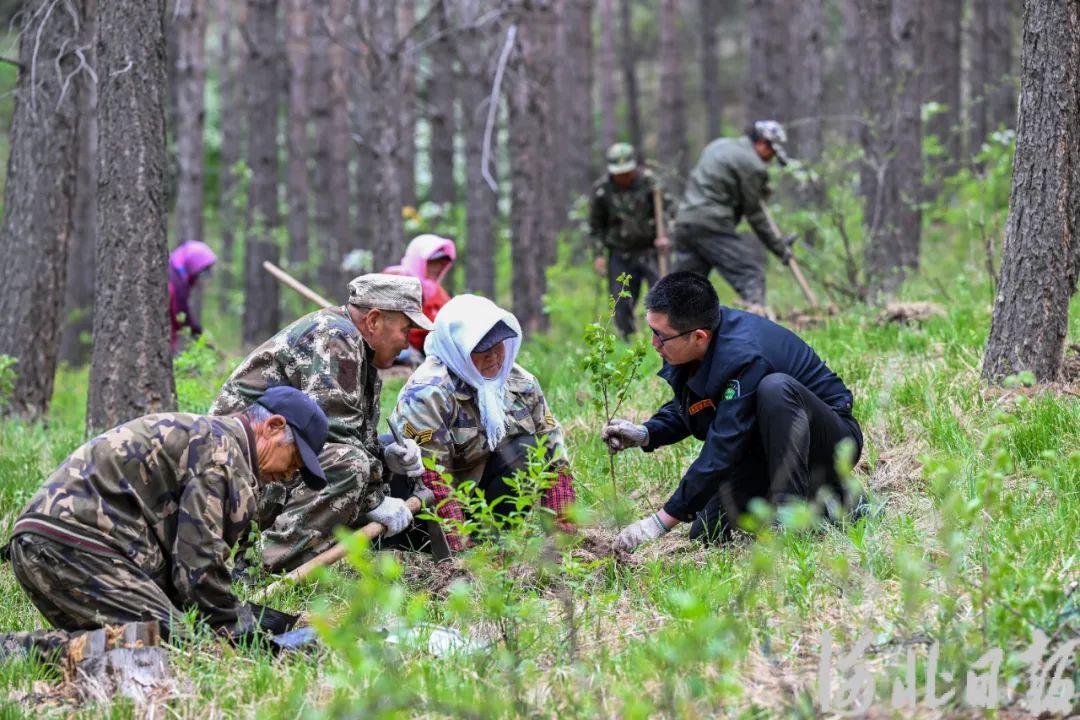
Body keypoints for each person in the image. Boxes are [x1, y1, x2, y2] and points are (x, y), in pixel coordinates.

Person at [5, 386, 329, 640]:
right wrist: (249, 635)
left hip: (47, 542)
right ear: (273, 426)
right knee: (171, 646)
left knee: (131, 639)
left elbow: (181, 580)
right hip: (72, 546)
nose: (289, 475)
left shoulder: (211, 437)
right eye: (294, 460)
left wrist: (274, 622)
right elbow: (199, 573)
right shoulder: (227, 462)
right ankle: (17, 651)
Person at [602, 272, 863, 552]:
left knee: (775, 389)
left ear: (699, 336)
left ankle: (794, 516)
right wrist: (647, 433)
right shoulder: (695, 343)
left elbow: (723, 447)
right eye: (652, 330)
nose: (654, 343)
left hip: (829, 440)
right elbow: (698, 405)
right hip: (765, 445)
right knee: (707, 532)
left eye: (660, 336)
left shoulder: (744, 355)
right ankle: (823, 502)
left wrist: (659, 522)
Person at [209, 274, 434, 573]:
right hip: (233, 480)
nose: (407, 343)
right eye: (406, 330)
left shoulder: (356, 350)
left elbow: (348, 434)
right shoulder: (335, 338)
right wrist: (374, 501)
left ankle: (301, 558)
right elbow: (333, 436)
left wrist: (384, 457)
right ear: (374, 320)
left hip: (259, 475)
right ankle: (253, 568)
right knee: (349, 466)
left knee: (365, 457)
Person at [388, 294, 576, 550]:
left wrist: (563, 531)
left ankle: (491, 540)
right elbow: (434, 480)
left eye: (498, 345)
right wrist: (460, 551)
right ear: (458, 350)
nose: (494, 357)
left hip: (476, 492)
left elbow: (553, 454)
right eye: (481, 349)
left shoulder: (520, 383)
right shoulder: (427, 393)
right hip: (426, 507)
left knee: (530, 448)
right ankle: (428, 547)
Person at [672, 120, 793, 307]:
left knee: (684, 288)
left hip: (685, 222)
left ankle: (670, 331)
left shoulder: (719, 145)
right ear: (762, 143)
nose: (770, 159)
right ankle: (755, 323)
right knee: (750, 274)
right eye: (772, 153)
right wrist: (780, 249)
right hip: (711, 225)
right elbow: (755, 214)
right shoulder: (752, 165)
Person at [590, 143, 677, 339]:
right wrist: (598, 255)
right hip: (620, 254)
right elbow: (596, 227)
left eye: (627, 173)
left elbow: (670, 212)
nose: (624, 178)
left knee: (663, 296)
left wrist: (666, 236)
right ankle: (627, 340)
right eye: (619, 174)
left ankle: (666, 337)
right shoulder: (602, 191)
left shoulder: (650, 183)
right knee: (621, 301)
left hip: (650, 250)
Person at [384, 234, 457, 363]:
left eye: (441, 263)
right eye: (432, 262)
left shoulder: (439, 295)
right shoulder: (390, 281)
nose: (437, 267)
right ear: (418, 261)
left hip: (422, 353)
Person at [168, 240, 217, 351]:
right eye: (205, 269)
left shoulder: (177, 273)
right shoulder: (177, 281)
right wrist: (197, 332)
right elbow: (181, 312)